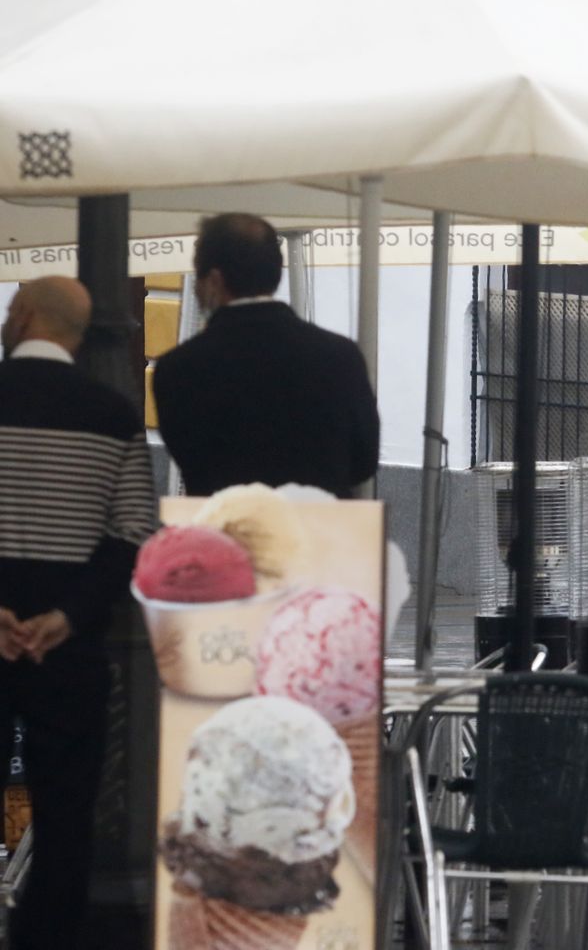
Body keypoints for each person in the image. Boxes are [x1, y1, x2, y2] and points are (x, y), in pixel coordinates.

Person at [0, 277, 156, 950]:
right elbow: (133, 528)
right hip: (70, 646)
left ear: (26, 315)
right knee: (66, 820)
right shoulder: (114, 415)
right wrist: (66, 613)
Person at [153, 212, 380, 498]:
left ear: (214, 280)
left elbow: (190, 462)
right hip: (320, 534)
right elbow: (364, 463)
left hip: (225, 533)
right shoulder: (341, 356)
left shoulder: (178, 369)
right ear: (276, 271)